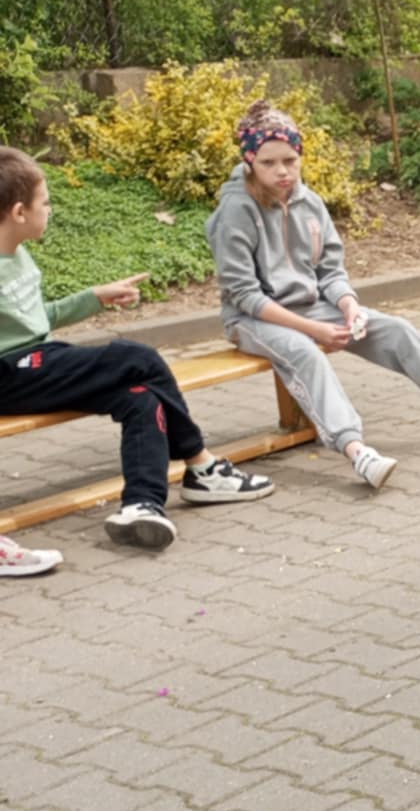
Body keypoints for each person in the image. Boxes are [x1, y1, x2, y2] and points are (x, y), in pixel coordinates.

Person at [205, 101, 420, 492]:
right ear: (249, 162)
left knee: (395, 329)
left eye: (290, 160)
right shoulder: (235, 210)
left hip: (312, 307)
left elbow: (330, 271)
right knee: (304, 352)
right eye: (269, 163)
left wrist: (348, 305)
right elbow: (244, 294)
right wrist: (314, 329)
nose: (282, 171)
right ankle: (356, 450)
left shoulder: (309, 203)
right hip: (252, 319)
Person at [1, 145, 275, 555]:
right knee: (136, 357)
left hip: (41, 362)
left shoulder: (18, 255)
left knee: (141, 397)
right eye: (46, 202)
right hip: (10, 375)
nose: (50, 210)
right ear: (20, 212)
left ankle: (142, 505)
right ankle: (201, 464)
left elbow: (38, 317)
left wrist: (96, 297)